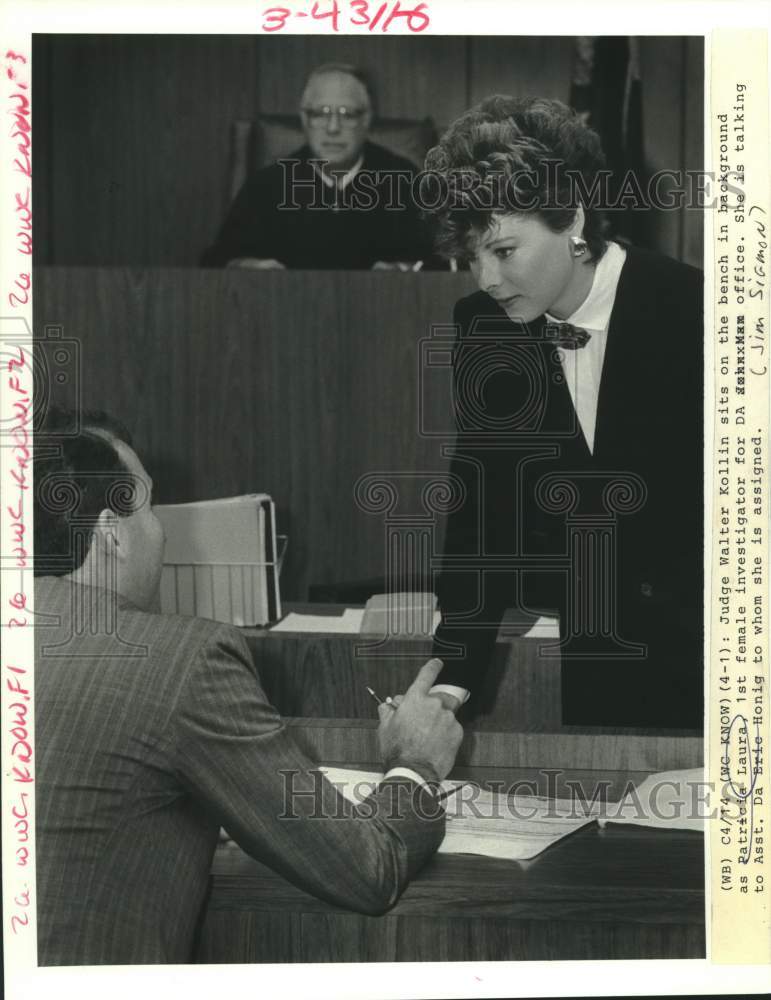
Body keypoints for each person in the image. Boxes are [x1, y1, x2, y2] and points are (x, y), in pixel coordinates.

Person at [33, 409, 463, 965]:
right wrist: (415, 763)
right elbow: (365, 869)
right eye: (151, 505)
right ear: (112, 533)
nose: (160, 531)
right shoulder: (183, 660)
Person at [424, 96, 703, 729]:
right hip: (599, 665)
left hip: (721, 656)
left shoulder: (699, 309)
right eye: (471, 255)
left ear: (572, 221)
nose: (486, 278)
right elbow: (481, 517)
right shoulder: (484, 329)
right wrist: (450, 684)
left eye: (502, 250)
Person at [201, 63, 432, 270]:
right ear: (304, 119)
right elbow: (216, 262)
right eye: (321, 113)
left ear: (366, 120)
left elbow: (445, 262)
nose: (333, 127)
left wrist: (405, 271)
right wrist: (246, 266)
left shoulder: (404, 180)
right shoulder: (267, 186)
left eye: (347, 114)